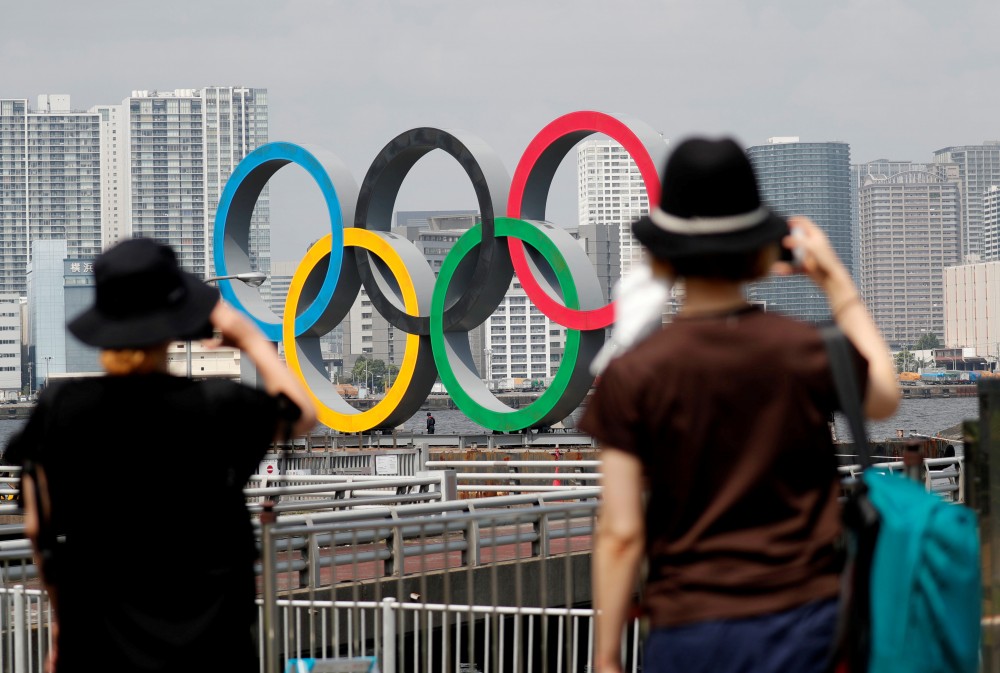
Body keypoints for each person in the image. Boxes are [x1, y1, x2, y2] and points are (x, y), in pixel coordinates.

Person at [580, 137, 900, 673]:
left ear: (661, 258)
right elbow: (885, 397)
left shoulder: (632, 374)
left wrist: (608, 656)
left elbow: (620, 530)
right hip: (805, 626)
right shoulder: (805, 349)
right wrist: (837, 284)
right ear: (761, 252)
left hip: (688, 633)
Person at [5, 238, 317, 673]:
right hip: (211, 646)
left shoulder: (65, 409)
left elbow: (39, 527)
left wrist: (62, 624)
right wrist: (246, 335)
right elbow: (303, 414)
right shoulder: (217, 405)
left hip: (98, 645)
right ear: (175, 320)